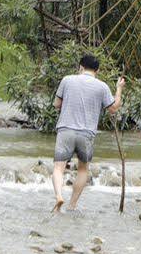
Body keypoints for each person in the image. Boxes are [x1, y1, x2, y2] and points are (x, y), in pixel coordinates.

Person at [51, 53, 123, 212]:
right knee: (83, 169)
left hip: (66, 130)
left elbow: (56, 104)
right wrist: (119, 89)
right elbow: (113, 108)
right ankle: (72, 205)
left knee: (59, 167)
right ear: (97, 70)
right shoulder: (102, 86)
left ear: (81, 67)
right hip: (87, 134)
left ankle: (58, 196)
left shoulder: (67, 80)